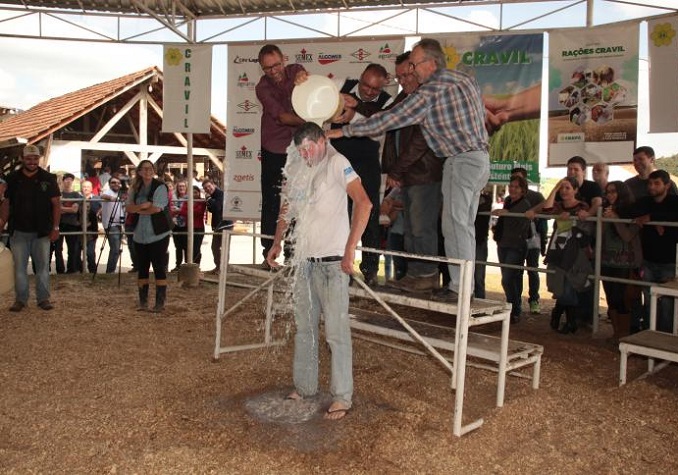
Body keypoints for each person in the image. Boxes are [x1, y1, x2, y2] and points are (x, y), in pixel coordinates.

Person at [327, 38, 489, 303]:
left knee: (455, 227)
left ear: (431, 63)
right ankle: (464, 287)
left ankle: (460, 290)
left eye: (414, 64)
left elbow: (387, 120)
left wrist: (340, 131)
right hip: (478, 158)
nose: (412, 70)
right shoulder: (464, 79)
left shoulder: (430, 92)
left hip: (461, 161)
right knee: (463, 227)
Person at [266, 122, 371, 421]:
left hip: (333, 263)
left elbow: (364, 203)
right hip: (304, 261)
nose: (305, 154)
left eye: (309, 149)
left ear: (322, 141)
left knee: (336, 333)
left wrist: (351, 248)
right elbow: (286, 208)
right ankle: (305, 386)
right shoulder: (300, 167)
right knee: (305, 329)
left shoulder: (338, 163)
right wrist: (277, 242)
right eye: (300, 151)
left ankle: (342, 396)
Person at [382, 51, 442, 293]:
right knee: (411, 226)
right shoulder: (404, 99)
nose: (403, 81)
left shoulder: (426, 98)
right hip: (408, 175)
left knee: (421, 225)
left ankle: (427, 274)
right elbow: (384, 116)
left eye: (407, 75)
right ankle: (414, 273)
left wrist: (396, 169)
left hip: (424, 172)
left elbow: (421, 140)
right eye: (398, 77)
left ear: (417, 70)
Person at [330, 63, 392, 286]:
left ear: (383, 85)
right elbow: (316, 92)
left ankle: (370, 271)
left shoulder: (387, 100)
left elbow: (380, 124)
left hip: (367, 164)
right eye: (365, 85)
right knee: (339, 215)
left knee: (370, 217)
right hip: (338, 160)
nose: (368, 91)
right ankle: (339, 267)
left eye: (374, 89)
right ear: (360, 78)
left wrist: (354, 114)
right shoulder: (341, 85)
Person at [255, 44, 306, 269]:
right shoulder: (262, 88)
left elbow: (305, 80)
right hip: (273, 149)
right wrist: (312, 121)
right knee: (272, 202)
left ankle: (293, 256)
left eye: (276, 65)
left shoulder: (295, 70)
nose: (273, 71)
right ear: (262, 69)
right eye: (267, 68)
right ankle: (269, 256)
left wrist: (305, 78)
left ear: (283, 60)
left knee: (297, 200)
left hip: (298, 147)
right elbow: (284, 118)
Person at [0, 144, 61, 311]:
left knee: (42, 268)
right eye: (28, 158)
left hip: (42, 231)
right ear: (22, 158)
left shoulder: (49, 178)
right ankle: (21, 299)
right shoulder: (12, 178)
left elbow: (56, 204)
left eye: (35, 158)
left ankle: (43, 299)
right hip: (18, 231)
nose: (32, 161)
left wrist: (55, 227)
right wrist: (2, 222)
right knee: (19, 267)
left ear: (39, 159)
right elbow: (6, 202)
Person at [528, 177, 592, 334]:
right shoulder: (558, 206)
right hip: (559, 250)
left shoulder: (582, 207)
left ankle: (561, 315)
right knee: (561, 287)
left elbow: (587, 226)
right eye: (562, 188)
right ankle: (568, 321)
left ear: (576, 190)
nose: (564, 191)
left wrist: (580, 216)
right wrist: (555, 188)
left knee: (570, 287)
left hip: (575, 252)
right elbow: (547, 209)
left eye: (567, 188)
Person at [632, 170, 678, 333]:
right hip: (648, 259)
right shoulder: (645, 202)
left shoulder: (674, 202)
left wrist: (654, 218)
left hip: (669, 261)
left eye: (656, 183)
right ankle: (650, 334)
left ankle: (665, 338)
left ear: (667, 185)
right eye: (650, 183)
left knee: (667, 301)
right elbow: (630, 211)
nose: (652, 187)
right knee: (649, 298)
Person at [126, 160, 171, 313]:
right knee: (142, 268)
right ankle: (143, 302)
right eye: (144, 169)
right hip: (139, 234)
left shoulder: (160, 186)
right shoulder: (135, 187)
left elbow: (157, 208)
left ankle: (160, 303)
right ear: (139, 172)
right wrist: (142, 206)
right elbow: (128, 207)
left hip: (158, 234)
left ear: (154, 170)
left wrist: (138, 209)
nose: (147, 171)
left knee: (159, 267)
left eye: (150, 168)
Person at [600, 181, 642, 341]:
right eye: (607, 192)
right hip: (606, 260)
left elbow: (627, 235)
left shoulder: (632, 212)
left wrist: (616, 219)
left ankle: (624, 334)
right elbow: (601, 235)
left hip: (626, 263)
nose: (610, 195)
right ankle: (616, 332)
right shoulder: (606, 210)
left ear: (622, 193)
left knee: (622, 299)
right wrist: (605, 219)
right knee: (611, 299)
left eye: (613, 192)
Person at [492, 176, 533, 323]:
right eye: (511, 186)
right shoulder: (508, 201)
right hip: (504, 244)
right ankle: (514, 309)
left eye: (516, 186)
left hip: (516, 246)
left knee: (508, 279)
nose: (512, 189)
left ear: (522, 189)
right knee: (511, 278)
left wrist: (506, 213)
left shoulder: (525, 204)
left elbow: (522, 223)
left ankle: (514, 309)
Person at [511, 167, 546, 314]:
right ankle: (516, 302)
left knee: (532, 269)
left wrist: (542, 241)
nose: (514, 185)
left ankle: (534, 300)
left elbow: (545, 215)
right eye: (512, 180)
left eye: (518, 180)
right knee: (516, 272)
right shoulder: (509, 199)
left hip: (532, 239)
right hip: (515, 241)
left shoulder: (537, 196)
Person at [203, 178, 232, 274]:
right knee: (215, 247)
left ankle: (223, 268)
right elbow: (212, 209)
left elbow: (217, 207)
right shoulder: (213, 195)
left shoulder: (220, 194)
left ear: (213, 185)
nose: (208, 189)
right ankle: (218, 266)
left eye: (209, 186)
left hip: (225, 225)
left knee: (223, 248)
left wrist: (209, 199)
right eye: (205, 188)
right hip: (218, 225)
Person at [56, 173, 83, 273]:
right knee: (58, 249)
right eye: (66, 179)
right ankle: (60, 269)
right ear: (63, 181)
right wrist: (68, 209)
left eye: (70, 179)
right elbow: (57, 209)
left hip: (72, 224)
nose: (68, 181)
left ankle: (71, 269)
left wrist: (62, 208)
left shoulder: (76, 195)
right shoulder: (59, 194)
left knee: (72, 249)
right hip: (59, 223)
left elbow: (74, 210)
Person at [100, 176, 126, 273]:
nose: (116, 184)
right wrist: (112, 198)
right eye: (113, 182)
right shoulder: (108, 192)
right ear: (109, 184)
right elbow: (103, 196)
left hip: (119, 224)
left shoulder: (119, 193)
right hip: (111, 225)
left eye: (118, 183)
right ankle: (110, 271)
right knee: (115, 249)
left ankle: (111, 270)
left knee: (117, 249)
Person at [177, 185, 206, 264]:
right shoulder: (187, 201)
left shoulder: (202, 201)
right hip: (188, 227)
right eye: (192, 192)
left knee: (196, 248)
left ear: (199, 193)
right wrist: (191, 211)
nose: (194, 194)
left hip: (198, 228)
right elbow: (182, 212)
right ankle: (187, 264)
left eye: (195, 192)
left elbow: (199, 212)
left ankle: (196, 265)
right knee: (187, 247)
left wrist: (189, 211)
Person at [80, 180, 101, 273]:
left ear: (92, 188)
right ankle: (80, 270)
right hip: (79, 229)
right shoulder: (78, 199)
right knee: (77, 252)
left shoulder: (96, 199)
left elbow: (103, 208)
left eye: (88, 187)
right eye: (84, 186)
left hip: (92, 230)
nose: (86, 188)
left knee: (90, 252)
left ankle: (92, 271)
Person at [170, 180, 189, 271]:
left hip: (186, 225)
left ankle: (186, 265)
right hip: (176, 224)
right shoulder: (174, 197)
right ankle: (178, 265)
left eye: (183, 186)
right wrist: (180, 210)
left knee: (186, 246)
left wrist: (179, 210)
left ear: (186, 187)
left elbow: (186, 211)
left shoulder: (188, 197)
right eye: (179, 186)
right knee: (178, 247)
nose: (181, 188)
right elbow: (172, 210)